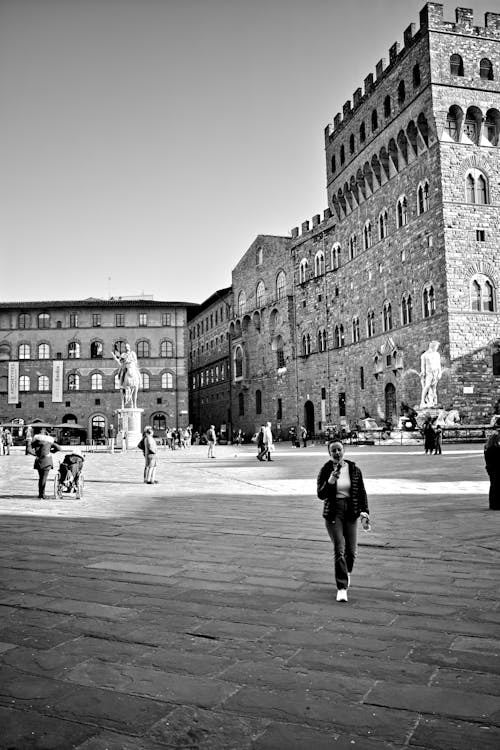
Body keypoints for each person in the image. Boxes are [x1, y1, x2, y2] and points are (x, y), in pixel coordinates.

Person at [317, 440, 370, 602]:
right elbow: (321, 495)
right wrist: (331, 481)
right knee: (339, 549)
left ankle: (345, 573)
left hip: (351, 511)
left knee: (352, 552)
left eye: (339, 449)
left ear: (344, 450)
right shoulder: (325, 470)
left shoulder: (354, 470)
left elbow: (361, 492)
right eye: (333, 450)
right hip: (334, 513)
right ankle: (341, 587)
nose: (337, 453)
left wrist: (364, 512)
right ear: (329, 453)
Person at [32, 429, 61, 499]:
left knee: (41, 478)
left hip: (39, 461)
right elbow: (59, 448)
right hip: (47, 461)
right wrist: (51, 451)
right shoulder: (49, 442)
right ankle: (42, 494)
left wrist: (36, 454)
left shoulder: (36, 442)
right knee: (44, 478)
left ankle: (40, 493)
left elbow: (29, 449)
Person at [420, 341, 443, 408]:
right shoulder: (424, 355)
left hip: (435, 373)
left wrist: (440, 373)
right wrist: (423, 372)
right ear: (433, 346)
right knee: (427, 386)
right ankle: (422, 401)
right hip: (428, 373)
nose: (437, 348)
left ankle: (433, 401)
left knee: (434, 388)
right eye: (436, 347)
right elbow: (423, 365)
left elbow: (439, 365)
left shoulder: (437, 354)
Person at [484, 430, 500, 510]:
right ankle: (496, 504)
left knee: (493, 486)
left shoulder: (487, 448)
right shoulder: (496, 449)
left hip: (490, 468)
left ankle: (493, 504)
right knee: (496, 487)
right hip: (496, 469)